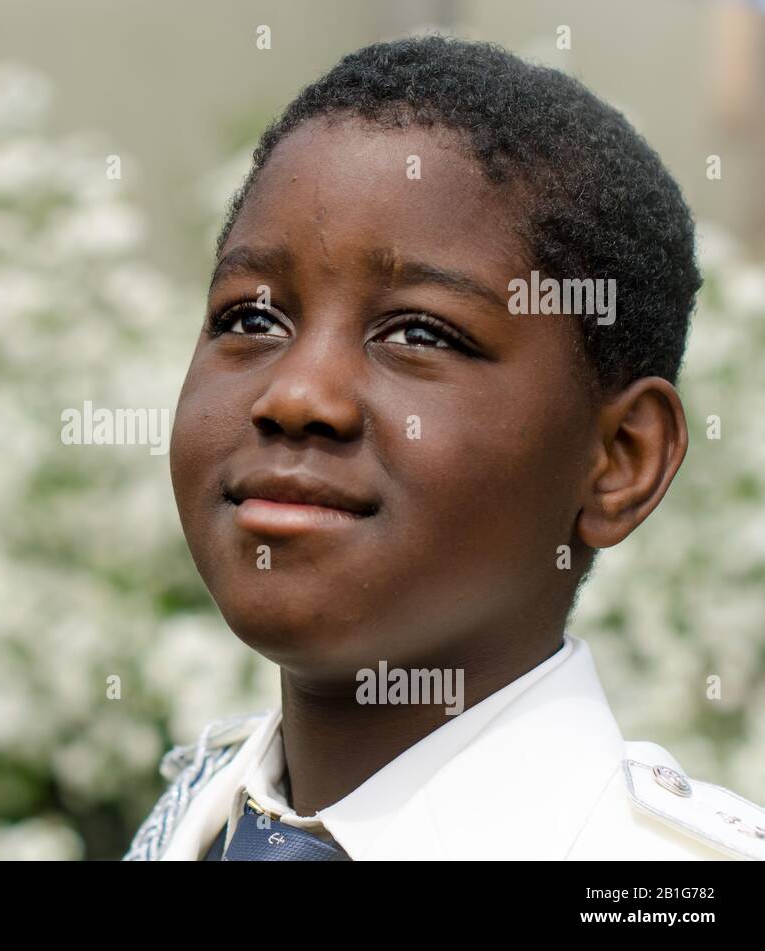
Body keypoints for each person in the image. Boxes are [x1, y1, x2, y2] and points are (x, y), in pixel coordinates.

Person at [124, 35, 764, 861]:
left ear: (620, 461)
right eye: (252, 318)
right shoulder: (187, 824)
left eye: (420, 332)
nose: (296, 395)